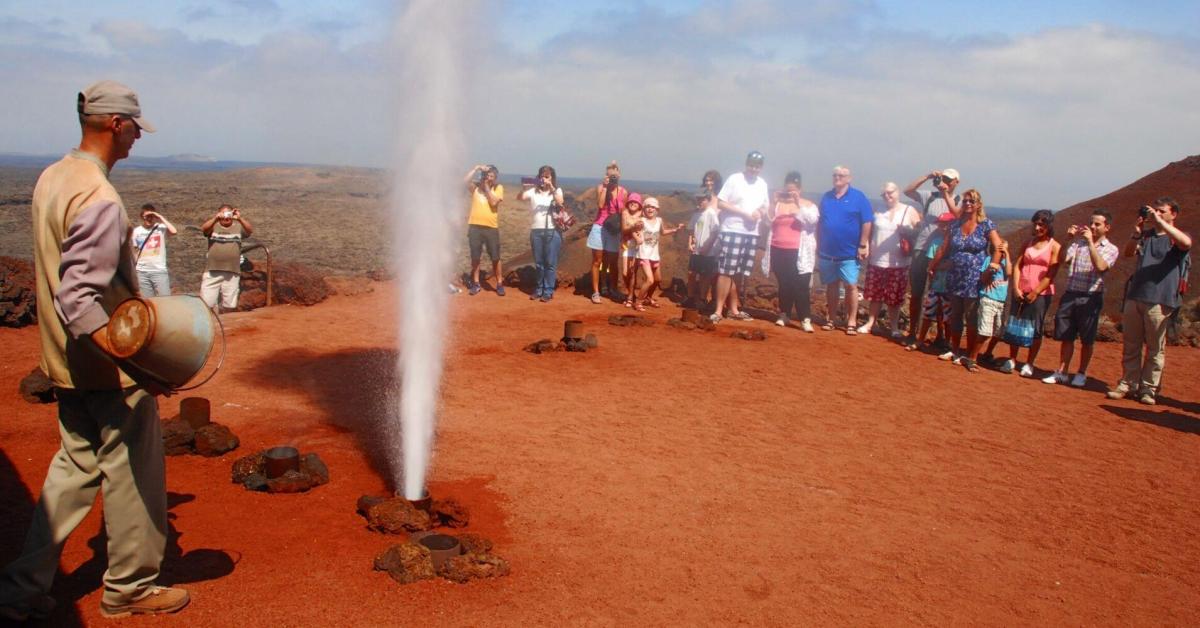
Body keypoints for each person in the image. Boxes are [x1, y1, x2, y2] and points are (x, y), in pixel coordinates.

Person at [0, 80, 189, 622]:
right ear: (115, 124)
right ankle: (129, 588)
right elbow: (78, 295)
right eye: (134, 128)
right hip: (107, 369)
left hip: (63, 362)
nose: (136, 138)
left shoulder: (54, 176)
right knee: (133, 476)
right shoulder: (100, 197)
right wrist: (132, 362)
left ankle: (21, 585)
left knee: (74, 466)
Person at [1107, 197, 1192, 405]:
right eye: (1156, 211)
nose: (1158, 214)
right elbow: (1128, 253)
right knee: (1131, 344)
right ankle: (1128, 383)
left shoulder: (1176, 238)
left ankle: (1149, 388)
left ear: (1174, 214)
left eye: (1162, 211)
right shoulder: (1146, 236)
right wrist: (1136, 234)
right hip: (1136, 295)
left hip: (1160, 299)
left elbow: (1187, 243)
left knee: (1155, 347)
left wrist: (1160, 222)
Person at [1042, 209, 1119, 387]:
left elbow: (1101, 266)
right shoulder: (1077, 244)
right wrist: (1067, 239)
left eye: (1097, 224)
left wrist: (1091, 243)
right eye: (1091, 223)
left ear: (1107, 227)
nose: (1092, 226)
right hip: (1071, 294)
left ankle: (1081, 372)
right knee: (1066, 336)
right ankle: (1062, 371)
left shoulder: (1111, 249)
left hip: (1091, 296)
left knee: (1087, 338)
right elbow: (1061, 260)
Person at [927, 188, 1002, 372]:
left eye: (972, 201)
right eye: (965, 201)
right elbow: (944, 247)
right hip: (956, 274)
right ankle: (955, 351)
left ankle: (970, 355)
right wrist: (933, 266)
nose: (968, 204)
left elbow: (999, 247)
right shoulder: (955, 225)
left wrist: (992, 268)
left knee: (972, 316)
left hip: (976, 277)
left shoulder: (986, 225)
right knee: (955, 314)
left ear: (978, 204)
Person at [902, 168, 962, 344]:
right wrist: (927, 177)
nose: (945, 181)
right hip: (922, 248)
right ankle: (913, 332)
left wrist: (945, 194)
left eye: (949, 179)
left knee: (940, 293)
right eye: (943, 178)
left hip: (943, 251)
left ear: (956, 182)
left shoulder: (958, 201)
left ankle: (940, 335)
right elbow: (908, 191)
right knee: (917, 293)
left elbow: (958, 216)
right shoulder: (930, 196)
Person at [998, 210, 1060, 376]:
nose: (1038, 227)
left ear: (1049, 226)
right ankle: (1011, 359)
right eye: (1036, 223)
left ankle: (1029, 363)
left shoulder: (1054, 246)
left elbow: (1051, 274)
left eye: (1042, 224)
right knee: (1015, 323)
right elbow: (1018, 264)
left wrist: (1036, 292)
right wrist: (1016, 287)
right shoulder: (1028, 243)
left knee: (1035, 328)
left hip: (1041, 293)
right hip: (1021, 289)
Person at [711, 151, 769, 323]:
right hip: (733, 229)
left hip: (751, 232)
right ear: (746, 164)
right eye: (751, 165)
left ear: (761, 167)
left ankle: (734, 309)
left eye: (757, 166)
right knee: (726, 270)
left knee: (740, 272)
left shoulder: (762, 184)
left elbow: (765, 205)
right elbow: (721, 202)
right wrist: (744, 213)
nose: (754, 169)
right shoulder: (734, 179)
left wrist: (760, 211)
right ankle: (718, 310)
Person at [858, 182, 920, 338]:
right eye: (884, 194)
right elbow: (869, 229)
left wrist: (906, 231)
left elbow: (919, 233)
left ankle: (894, 327)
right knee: (875, 295)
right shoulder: (878, 209)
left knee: (894, 297)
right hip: (877, 259)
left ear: (897, 192)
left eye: (890, 192)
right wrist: (864, 245)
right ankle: (870, 323)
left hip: (899, 262)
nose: (887, 196)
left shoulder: (909, 210)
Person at [817, 165, 873, 334]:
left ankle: (851, 321)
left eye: (841, 175)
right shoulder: (826, 197)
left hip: (849, 252)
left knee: (851, 286)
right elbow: (820, 221)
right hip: (827, 251)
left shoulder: (859, 197)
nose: (837, 178)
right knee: (832, 286)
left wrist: (863, 244)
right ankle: (831, 319)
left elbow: (867, 221)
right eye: (835, 175)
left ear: (849, 178)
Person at [764, 171, 819, 331]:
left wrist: (798, 204)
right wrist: (773, 203)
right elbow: (767, 222)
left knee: (801, 285)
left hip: (799, 251)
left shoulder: (808, 205)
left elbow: (812, 221)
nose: (790, 193)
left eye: (793, 190)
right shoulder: (779, 204)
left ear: (800, 189)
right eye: (788, 190)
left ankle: (805, 318)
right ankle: (784, 313)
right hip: (778, 249)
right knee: (784, 284)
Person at [908, 212, 956, 352]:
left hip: (949, 286)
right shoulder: (935, 243)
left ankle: (947, 344)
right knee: (928, 313)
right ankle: (920, 340)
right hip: (936, 285)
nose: (942, 227)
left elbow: (950, 264)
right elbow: (931, 263)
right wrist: (939, 266)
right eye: (941, 224)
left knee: (948, 317)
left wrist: (936, 266)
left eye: (945, 224)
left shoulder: (955, 244)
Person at [516, 165, 565, 302]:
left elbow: (560, 202)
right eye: (542, 176)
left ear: (552, 178)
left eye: (547, 176)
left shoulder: (557, 190)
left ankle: (548, 291)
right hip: (536, 230)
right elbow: (520, 197)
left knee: (550, 263)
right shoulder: (533, 191)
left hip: (552, 230)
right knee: (539, 263)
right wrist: (525, 187)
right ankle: (539, 289)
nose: (544, 179)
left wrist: (551, 187)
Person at [200, 204, 253, 313]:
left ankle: (228, 323)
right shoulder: (213, 226)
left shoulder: (238, 227)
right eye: (223, 213)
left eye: (229, 213)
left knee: (230, 304)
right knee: (206, 302)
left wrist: (240, 218)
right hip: (212, 270)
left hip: (232, 271)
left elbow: (249, 231)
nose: (226, 217)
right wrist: (215, 219)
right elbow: (204, 229)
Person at [588, 161, 628, 303]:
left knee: (612, 261)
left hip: (613, 229)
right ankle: (596, 292)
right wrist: (605, 187)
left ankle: (612, 289)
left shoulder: (623, 192)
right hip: (599, 226)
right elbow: (600, 205)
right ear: (606, 176)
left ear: (619, 175)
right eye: (610, 176)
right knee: (597, 261)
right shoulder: (601, 188)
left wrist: (624, 233)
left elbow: (623, 213)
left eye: (615, 176)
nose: (613, 178)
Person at [634, 197, 683, 311]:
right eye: (647, 207)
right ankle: (638, 302)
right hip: (643, 254)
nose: (650, 209)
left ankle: (649, 297)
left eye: (653, 207)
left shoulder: (659, 221)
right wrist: (636, 236)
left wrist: (675, 230)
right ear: (644, 209)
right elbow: (634, 231)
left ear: (657, 209)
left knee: (657, 280)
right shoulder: (641, 221)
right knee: (650, 280)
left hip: (654, 255)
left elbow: (662, 232)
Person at [463, 164, 505, 296]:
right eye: (487, 175)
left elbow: (493, 202)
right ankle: (476, 283)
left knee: (495, 257)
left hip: (491, 227)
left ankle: (499, 283)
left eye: (492, 176)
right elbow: (464, 182)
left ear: (496, 178)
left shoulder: (498, 188)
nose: (489, 178)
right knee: (475, 257)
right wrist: (475, 168)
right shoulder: (475, 188)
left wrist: (486, 187)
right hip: (475, 227)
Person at [685, 171, 722, 310]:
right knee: (691, 273)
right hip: (696, 249)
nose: (700, 202)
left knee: (706, 275)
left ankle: (702, 299)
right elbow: (691, 230)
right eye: (698, 199)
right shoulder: (696, 214)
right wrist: (690, 243)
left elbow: (715, 231)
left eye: (702, 199)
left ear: (707, 200)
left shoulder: (711, 214)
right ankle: (690, 297)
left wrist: (707, 247)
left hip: (708, 251)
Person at [976, 239, 1012, 366]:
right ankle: (973, 357)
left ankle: (987, 353)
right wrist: (992, 269)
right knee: (985, 331)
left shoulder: (1005, 263)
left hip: (1000, 301)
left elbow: (1009, 272)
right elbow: (983, 277)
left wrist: (1006, 255)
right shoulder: (988, 260)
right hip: (988, 298)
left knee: (998, 332)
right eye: (1001, 249)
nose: (1002, 252)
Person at [131, 203, 177, 296]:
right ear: (141, 217)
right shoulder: (136, 231)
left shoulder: (160, 228)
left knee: (165, 299)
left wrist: (159, 217)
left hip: (159, 270)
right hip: (142, 272)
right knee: (147, 301)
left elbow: (174, 231)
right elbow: (135, 251)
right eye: (146, 216)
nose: (148, 218)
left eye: (151, 216)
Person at [619, 193, 645, 306]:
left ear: (639, 205)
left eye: (636, 202)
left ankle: (630, 297)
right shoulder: (624, 213)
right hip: (626, 245)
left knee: (632, 271)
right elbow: (624, 229)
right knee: (625, 273)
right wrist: (634, 227)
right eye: (631, 201)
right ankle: (631, 292)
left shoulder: (642, 214)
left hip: (637, 245)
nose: (633, 203)